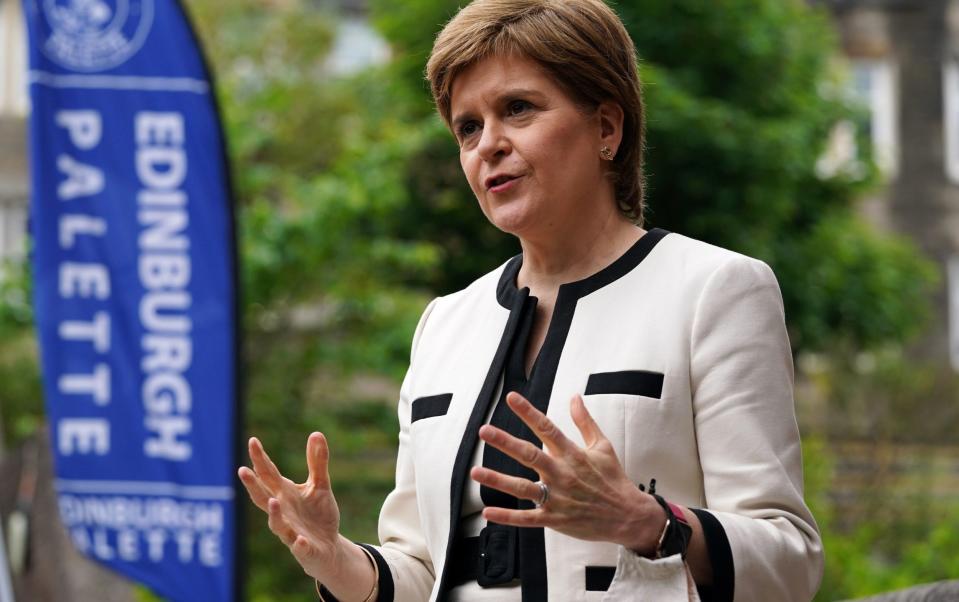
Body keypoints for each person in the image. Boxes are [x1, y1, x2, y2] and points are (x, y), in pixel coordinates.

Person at [237, 0, 824, 600]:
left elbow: (790, 561)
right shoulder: (444, 324)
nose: (488, 144)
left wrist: (648, 523)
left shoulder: (714, 291)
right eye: (468, 127)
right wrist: (336, 560)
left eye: (517, 109)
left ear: (606, 128)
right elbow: (422, 572)